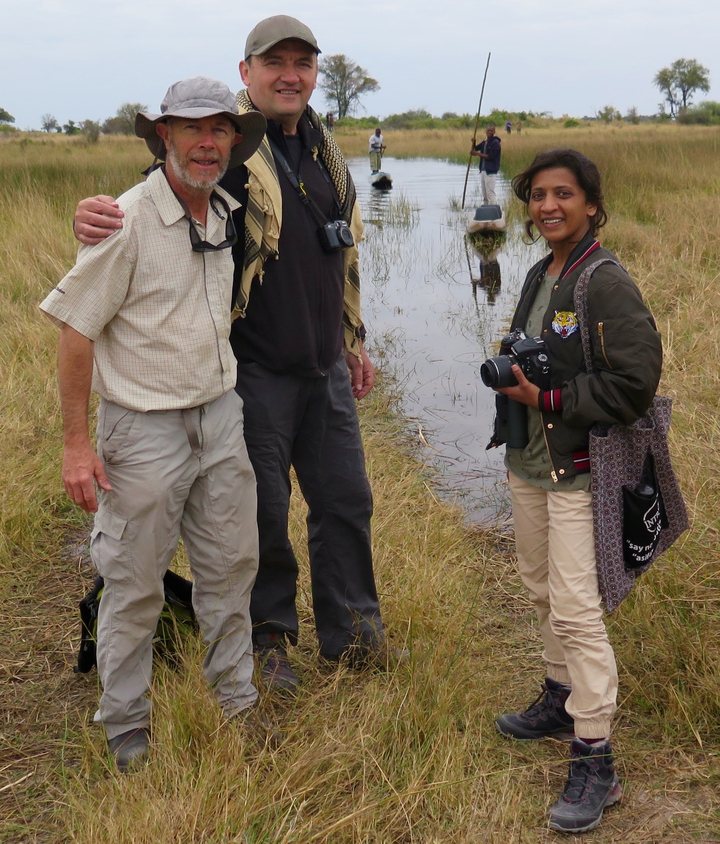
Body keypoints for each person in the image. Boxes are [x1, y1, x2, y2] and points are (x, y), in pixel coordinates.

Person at [72, 16, 390, 696]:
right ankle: (269, 641)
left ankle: (355, 632)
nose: (290, 74)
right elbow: (162, 187)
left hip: (325, 365)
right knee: (260, 514)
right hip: (254, 370)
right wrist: (92, 214)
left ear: (314, 75)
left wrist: (353, 339)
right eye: (274, 61)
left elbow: (343, 250)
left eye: (302, 63)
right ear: (247, 72)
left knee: (346, 501)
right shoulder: (228, 148)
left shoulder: (325, 152)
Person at [40, 78, 268, 771]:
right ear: (163, 137)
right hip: (143, 430)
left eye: (219, 131)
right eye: (191, 130)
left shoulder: (227, 210)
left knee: (231, 569)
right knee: (134, 582)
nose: (206, 144)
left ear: (234, 142)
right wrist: (78, 447)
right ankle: (126, 729)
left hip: (221, 418)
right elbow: (76, 333)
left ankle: (237, 704)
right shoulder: (125, 219)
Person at [486, 149, 662, 833]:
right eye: (537, 195)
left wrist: (549, 394)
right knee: (539, 588)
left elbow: (634, 383)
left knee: (579, 609)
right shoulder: (542, 270)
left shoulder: (604, 279)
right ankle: (560, 699)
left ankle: (597, 759)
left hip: (581, 467)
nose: (548, 206)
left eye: (563, 194)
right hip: (532, 461)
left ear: (591, 203)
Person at [470, 125, 501, 205]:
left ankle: (494, 210)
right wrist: (473, 143)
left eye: (491, 131)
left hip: (490, 172)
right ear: (486, 131)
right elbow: (476, 148)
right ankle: (486, 210)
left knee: (490, 193)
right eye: (488, 131)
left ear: (494, 132)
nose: (489, 132)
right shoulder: (485, 141)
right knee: (485, 194)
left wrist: (477, 154)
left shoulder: (496, 143)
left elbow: (491, 157)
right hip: (483, 171)